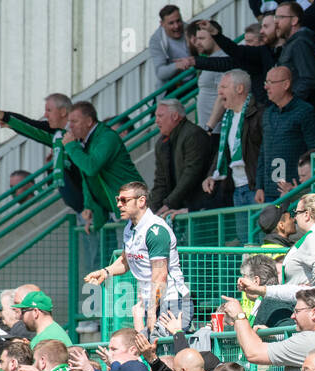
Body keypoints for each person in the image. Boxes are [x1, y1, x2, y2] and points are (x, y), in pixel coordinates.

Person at [84, 181, 191, 334]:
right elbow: (125, 260)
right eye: (117, 200)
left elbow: (160, 276)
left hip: (172, 301)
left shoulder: (156, 230)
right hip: (152, 302)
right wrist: (106, 272)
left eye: (124, 200)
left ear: (141, 201)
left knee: (163, 353)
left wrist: (152, 313)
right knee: (147, 348)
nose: (119, 205)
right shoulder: (130, 227)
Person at [59, 101, 144, 229]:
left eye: (75, 121)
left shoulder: (106, 137)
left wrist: (71, 146)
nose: (70, 127)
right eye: (69, 122)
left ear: (89, 121)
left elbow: (91, 167)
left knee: (135, 249)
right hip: (113, 210)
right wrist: (88, 206)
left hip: (132, 206)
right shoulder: (85, 142)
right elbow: (87, 179)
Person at [253, 66, 315, 204]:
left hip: (295, 190)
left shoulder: (305, 112)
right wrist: (259, 186)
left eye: (270, 83)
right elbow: (263, 151)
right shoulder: (268, 113)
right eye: (265, 83)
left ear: (286, 84)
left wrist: (304, 186)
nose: (266, 87)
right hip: (269, 192)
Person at [202, 69, 263, 209]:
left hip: (255, 189)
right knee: (242, 232)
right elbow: (223, 150)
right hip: (236, 189)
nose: (219, 92)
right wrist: (212, 175)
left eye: (224, 87)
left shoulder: (258, 114)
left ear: (239, 88)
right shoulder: (227, 118)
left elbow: (265, 153)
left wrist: (261, 186)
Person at [149, 98, 214, 216]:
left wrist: (168, 203)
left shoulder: (193, 134)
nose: (156, 121)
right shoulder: (162, 143)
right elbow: (160, 181)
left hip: (200, 205)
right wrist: (152, 211)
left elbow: (191, 173)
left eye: (160, 116)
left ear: (175, 116)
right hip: (179, 205)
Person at [272, 1, 315, 107]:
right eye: (275, 18)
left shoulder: (300, 43)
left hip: (302, 113)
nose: (276, 22)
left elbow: (309, 80)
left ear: (294, 20)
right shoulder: (292, 44)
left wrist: (288, 103)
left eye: (281, 17)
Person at [150, 5, 191, 85]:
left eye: (178, 21)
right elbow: (160, 73)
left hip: (195, 80)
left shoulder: (190, 30)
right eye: (171, 23)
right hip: (174, 86)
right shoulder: (156, 40)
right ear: (162, 24)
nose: (176, 26)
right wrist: (177, 65)